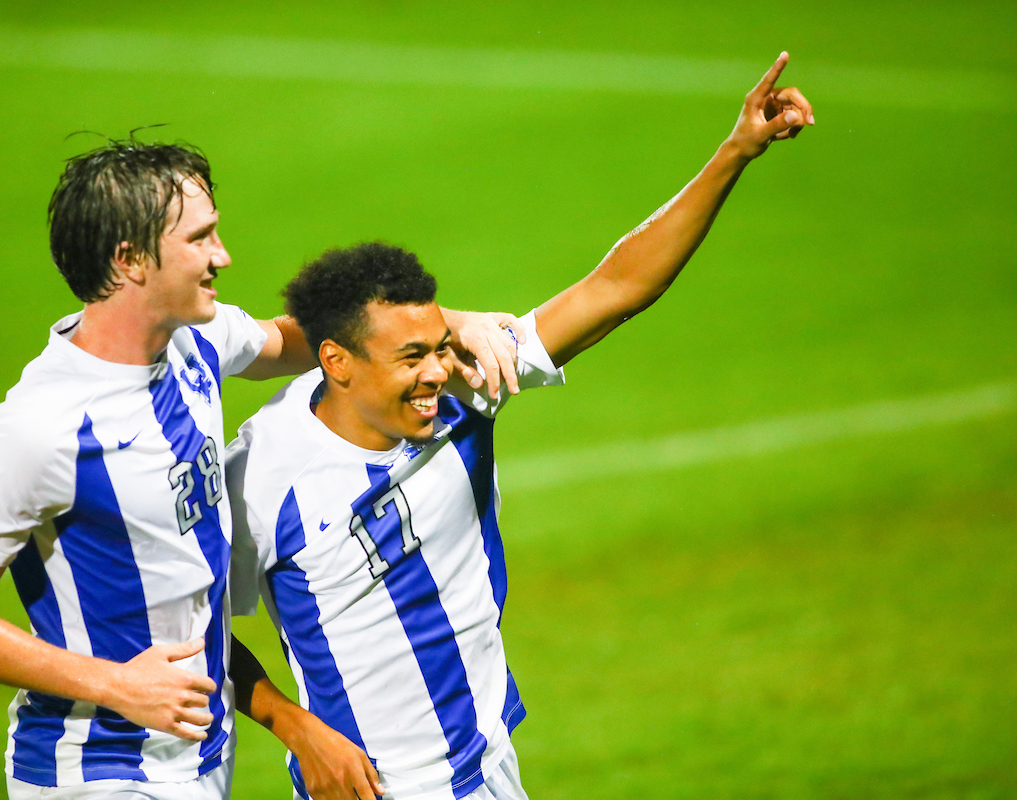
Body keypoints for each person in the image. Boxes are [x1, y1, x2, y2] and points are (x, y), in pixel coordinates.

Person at [226, 54, 813, 800]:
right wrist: (294, 727)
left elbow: (619, 288)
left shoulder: (468, 386)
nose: (436, 371)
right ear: (336, 362)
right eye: (412, 357)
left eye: (439, 344)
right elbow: (182, 626)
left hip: (491, 767)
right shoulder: (263, 472)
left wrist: (734, 152)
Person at [0, 140, 521, 800]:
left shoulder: (196, 340)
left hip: (197, 756)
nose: (222, 255)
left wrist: (451, 324)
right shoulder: (39, 430)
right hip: (101, 770)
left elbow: (308, 340)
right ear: (129, 260)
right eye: (201, 239)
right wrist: (114, 684)